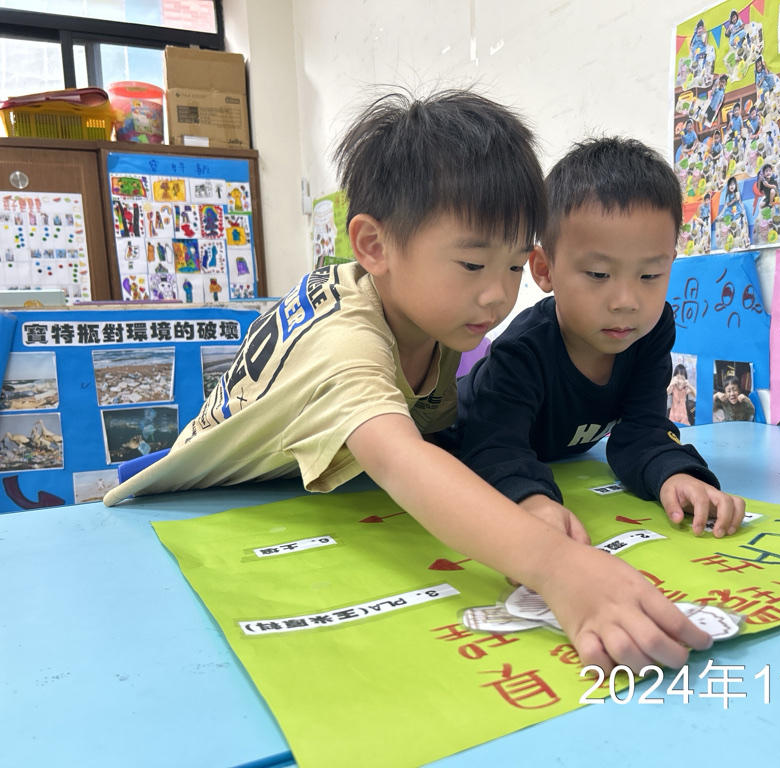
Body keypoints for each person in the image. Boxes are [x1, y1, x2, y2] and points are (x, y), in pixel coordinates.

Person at [105, 91, 716, 673]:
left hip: (299, 497)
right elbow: (400, 458)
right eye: (472, 263)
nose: (498, 294)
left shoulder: (434, 312)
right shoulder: (344, 342)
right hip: (192, 510)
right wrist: (558, 567)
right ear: (374, 245)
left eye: (512, 265)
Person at [442, 136, 745, 548]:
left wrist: (675, 473)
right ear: (545, 269)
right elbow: (494, 448)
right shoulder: (523, 351)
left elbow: (643, 430)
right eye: (599, 274)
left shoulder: (650, 331)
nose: (626, 302)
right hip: (452, 439)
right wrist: (530, 501)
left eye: (650, 275)